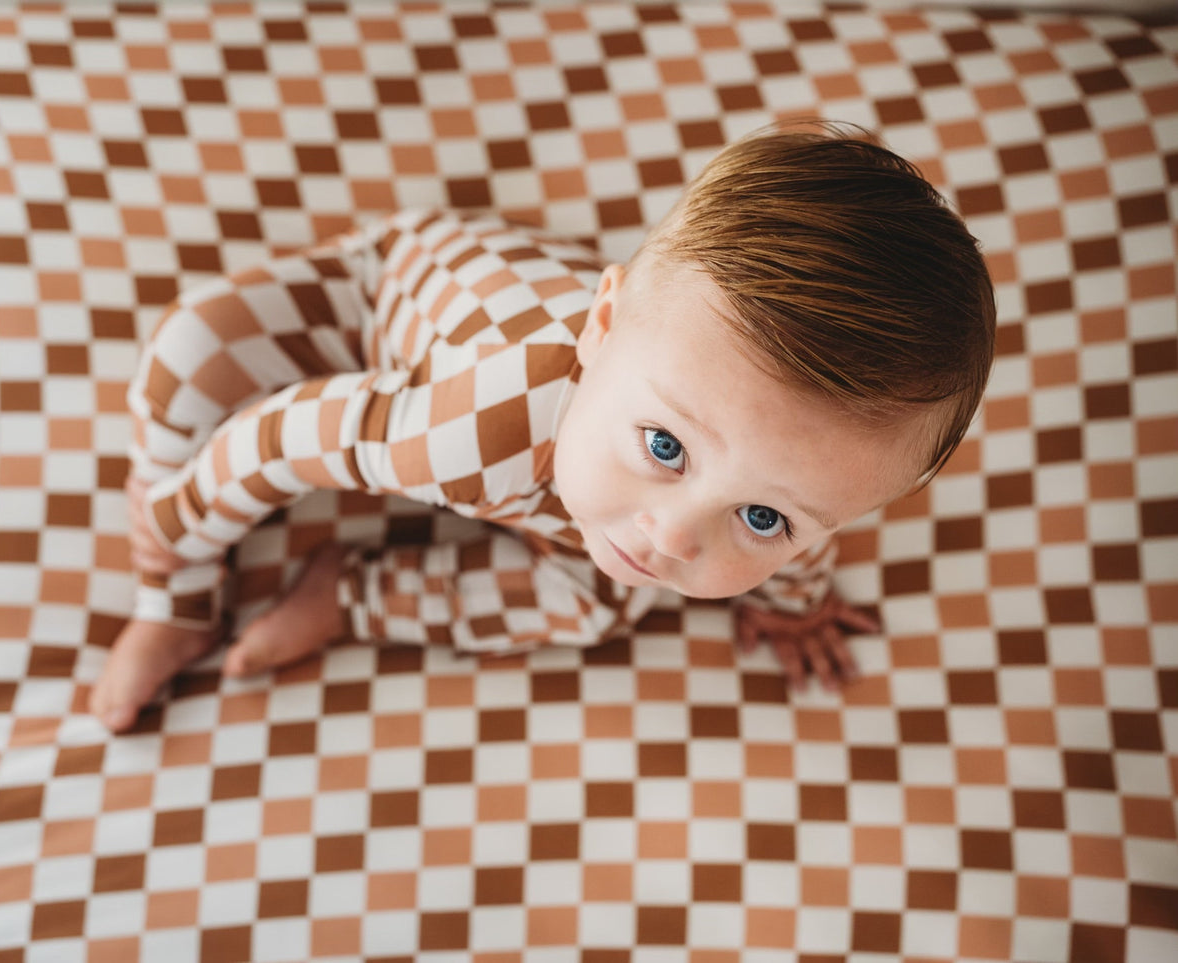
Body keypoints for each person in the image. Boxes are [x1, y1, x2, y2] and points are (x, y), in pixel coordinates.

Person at [89, 122, 995, 734]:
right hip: (368, 301)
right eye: (666, 448)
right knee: (190, 349)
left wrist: (792, 610)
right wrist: (177, 524)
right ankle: (177, 604)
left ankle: (350, 595)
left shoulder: (760, 467)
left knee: (591, 606)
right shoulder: (461, 433)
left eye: (764, 518)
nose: (673, 538)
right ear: (601, 326)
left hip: (570, 448)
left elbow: (813, 541)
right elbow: (286, 438)